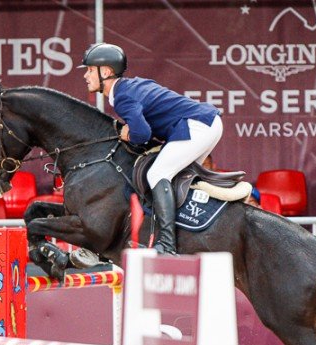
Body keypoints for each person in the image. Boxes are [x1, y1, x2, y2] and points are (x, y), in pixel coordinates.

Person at [80, 43, 223, 255]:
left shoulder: (122, 96)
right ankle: (188, 232)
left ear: (107, 72)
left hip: (197, 127)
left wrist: (127, 134)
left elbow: (142, 134)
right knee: (177, 179)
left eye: (90, 69)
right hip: (207, 124)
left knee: (157, 173)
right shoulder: (130, 86)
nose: (86, 75)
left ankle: (167, 243)